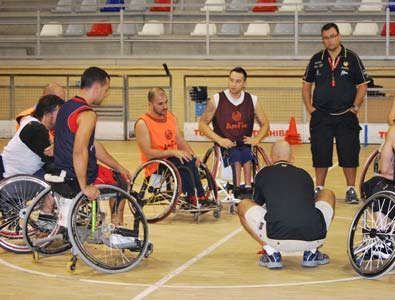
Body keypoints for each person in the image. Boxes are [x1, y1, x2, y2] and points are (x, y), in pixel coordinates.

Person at [237, 141, 335, 269]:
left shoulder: (263, 174)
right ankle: (311, 252)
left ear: (271, 158)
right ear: (292, 159)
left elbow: (258, 204)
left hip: (277, 237)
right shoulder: (305, 175)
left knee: (243, 204)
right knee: (327, 193)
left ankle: (271, 253)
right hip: (312, 237)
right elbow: (310, 204)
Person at [54, 66, 131, 225]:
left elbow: (92, 146)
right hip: (76, 174)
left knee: (118, 173)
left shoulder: (66, 107)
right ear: (97, 87)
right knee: (122, 183)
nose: (106, 94)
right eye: (106, 89)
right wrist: (85, 186)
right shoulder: (87, 114)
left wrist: (118, 166)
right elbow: (79, 151)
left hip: (60, 168)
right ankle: (118, 230)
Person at [302, 22, 369, 204]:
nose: (330, 40)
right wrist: (310, 108)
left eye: (332, 36)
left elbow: (362, 86)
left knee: (349, 153)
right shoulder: (316, 59)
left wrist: (355, 107)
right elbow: (306, 85)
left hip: (346, 115)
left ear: (339, 36)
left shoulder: (352, 58)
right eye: (326, 37)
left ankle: (350, 189)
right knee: (320, 152)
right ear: (322, 40)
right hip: (321, 115)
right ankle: (319, 188)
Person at [198, 67, 270, 198]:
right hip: (226, 145)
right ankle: (237, 187)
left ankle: (248, 187)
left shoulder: (252, 100)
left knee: (248, 156)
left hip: (244, 144)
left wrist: (256, 139)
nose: (233, 84)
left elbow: (265, 124)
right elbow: (202, 124)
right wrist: (219, 140)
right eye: (231, 80)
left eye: (238, 81)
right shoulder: (217, 99)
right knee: (236, 157)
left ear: (244, 83)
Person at [135, 87, 207, 204]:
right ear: (150, 104)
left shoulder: (170, 117)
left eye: (166, 102)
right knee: (185, 162)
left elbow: (180, 141)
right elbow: (148, 153)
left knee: (191, 159)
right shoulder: (142, 123)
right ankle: (193, 196)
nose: (165, 106)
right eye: (160, 104)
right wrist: (173, 152)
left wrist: (194, 156)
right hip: (157, 163)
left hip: (174, 158)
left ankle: (199, 195)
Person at [1, 94, 64, 179]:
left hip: (13, 172)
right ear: (47, 115)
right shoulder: (36, 129)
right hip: (9, 176)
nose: (61, 118)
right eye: (59, 114)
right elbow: (52, 159)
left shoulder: (30, 121)